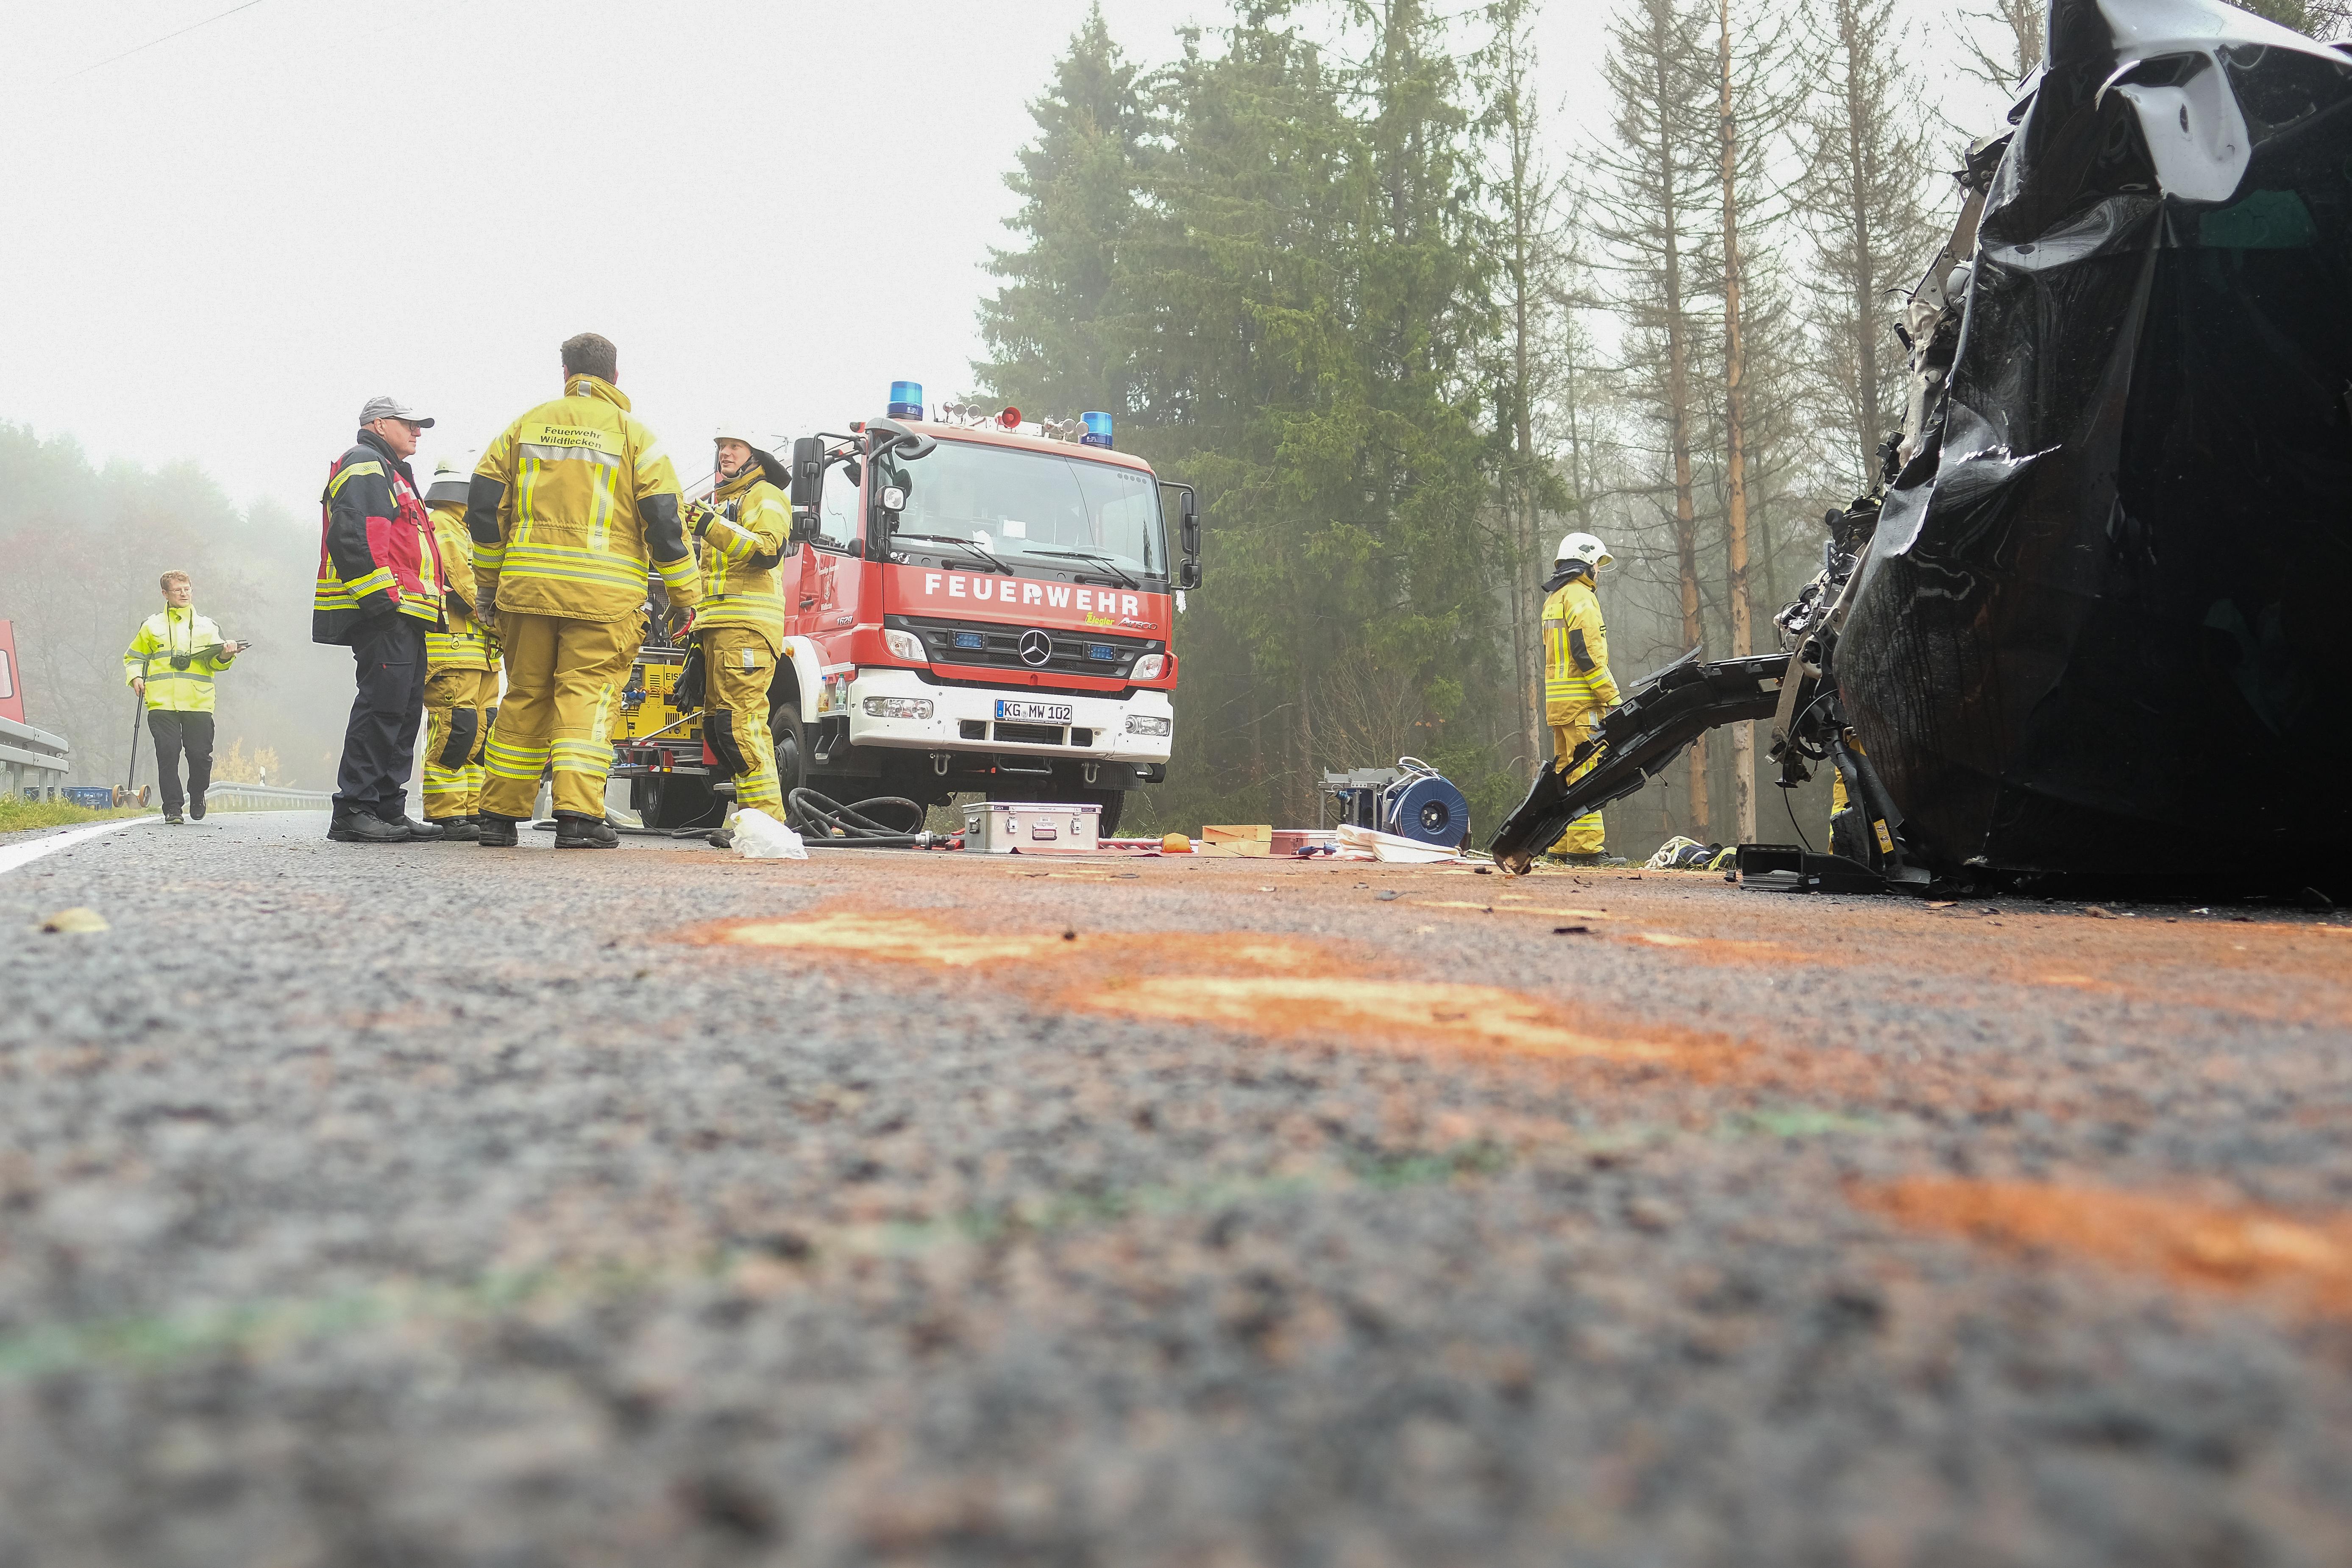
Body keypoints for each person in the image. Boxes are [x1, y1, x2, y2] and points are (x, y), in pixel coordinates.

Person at [464, 334, 701, 848]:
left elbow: (483, 507)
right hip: (604, 599)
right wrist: (684, 595)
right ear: (615, 378)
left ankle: (497, 817)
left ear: (567, 373)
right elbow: (664, 520)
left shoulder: (523, 426)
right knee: (588, 698)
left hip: (526, 593)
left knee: (526, 695)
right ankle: (577, 817)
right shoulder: (636, 437)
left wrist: (488, 586)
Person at [315, 395, 451, 844]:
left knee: (404, 710)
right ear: (377, 424)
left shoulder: (392, 473)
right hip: (386, 613)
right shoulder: (365, 463)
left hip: (405, 614)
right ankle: (353, 809)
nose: (417, 432)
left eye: (420, 426)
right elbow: (353, 535)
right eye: (408, 423)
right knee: (381, 708)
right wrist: (382, 603)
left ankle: (387, 808)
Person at [687, 424, 791, 836]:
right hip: (719, 628)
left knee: (738, 724)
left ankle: (766, 821)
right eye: (720, 447)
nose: (724, 453)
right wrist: (697, 638)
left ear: (756, 454)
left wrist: (710, 526)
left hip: (748, 628)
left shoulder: (765, 496)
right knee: (721, 729)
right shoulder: (724, 503)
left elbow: (768, 550)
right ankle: (751, 822)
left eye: (734, 446)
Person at [420, 454, 501, 840]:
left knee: (479, 736)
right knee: (456, 731)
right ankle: (446, 813)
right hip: (454, 651)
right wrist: (498, 619)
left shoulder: (464, 528)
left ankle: (471, 810)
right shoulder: (444, 525)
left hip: (482, 655)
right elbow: (464, 581)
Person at [122, 571, 242, 824]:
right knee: (167, 752)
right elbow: (134, 656)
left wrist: (226, 655)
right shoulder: (151, 626)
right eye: (178, 590)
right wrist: (136, 677)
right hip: (161, 702)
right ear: (165, 594)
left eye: (187, 589)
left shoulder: (208, 626)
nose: (184, 594)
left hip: (198, 702)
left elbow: (217, 664)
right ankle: (173, 807)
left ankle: (197, 794)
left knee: (200, 755)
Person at [1541, 531, 1625, 867]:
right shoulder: (1581, 598)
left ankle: (1560, 845)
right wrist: (1613, 698)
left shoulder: (1555, 598)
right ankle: (1585, 850)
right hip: (1582, 704)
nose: (1599, 572)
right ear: (1586, 563)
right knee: (1588, 772)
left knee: (1564, 772)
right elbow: (1587, 655)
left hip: (1559, 705)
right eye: (1597, 565)